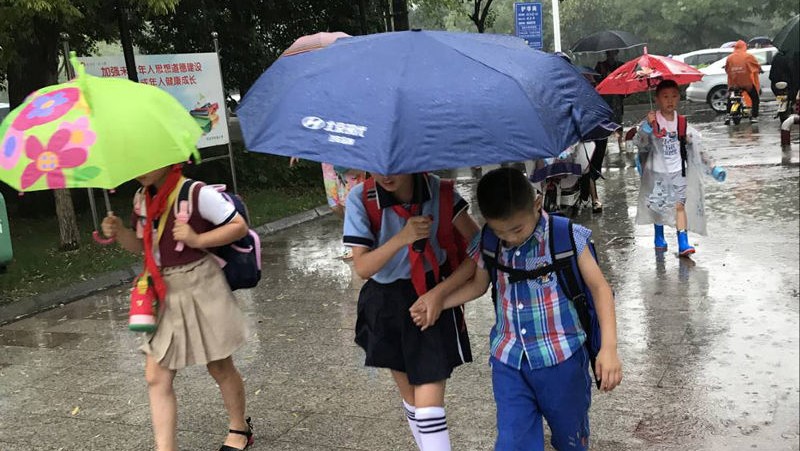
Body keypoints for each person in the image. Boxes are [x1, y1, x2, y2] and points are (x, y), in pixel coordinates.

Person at [412, 167, 622, 450]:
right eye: (500, 231)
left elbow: (600, 289)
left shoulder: (566, 237)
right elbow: (478, 285)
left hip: (562, 359)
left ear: (537, 203)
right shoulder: (489, 240)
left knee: (570, 438)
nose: (509, 238)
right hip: (509, 360)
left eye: (517, 229)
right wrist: (439, 301)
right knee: (513, 441)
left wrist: (608, 348)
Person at [101, 164, 253, 451]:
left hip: (201, 284)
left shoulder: (196, 193)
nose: (140, 168)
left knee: (219, 365)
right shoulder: (140, 199)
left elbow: (238, 226)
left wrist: (197, 239)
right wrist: (120, 232)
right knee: (155, 375)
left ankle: (239, 427)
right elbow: (142, 247)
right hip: (162, 291)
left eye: (148, 158)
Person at [343, 172, 479, 451]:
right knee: (414, 401)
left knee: (429, 406)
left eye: (397, 164)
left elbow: (479, 246)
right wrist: (402, 237)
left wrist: (440, 295)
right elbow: (363, 267)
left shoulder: (439, 192)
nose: (387, 174)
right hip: (385, 302)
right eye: (378, 165)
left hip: (431, 295)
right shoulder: (361, 197)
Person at [633, 80, 726, 256]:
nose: (670, 101)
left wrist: (713, 167)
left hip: (678, 172)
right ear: (657, 99)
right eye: (665, 97)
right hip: (657, 174)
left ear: (679, 98)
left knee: (679, 206)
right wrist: (646, 126)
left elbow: (696, 146)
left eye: (674, 96)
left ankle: (683, 242)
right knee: (659, 207)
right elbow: (640, 144)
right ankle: (659, 236)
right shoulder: (651, 121)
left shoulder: (682, 123)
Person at [290, 158, 366, 259]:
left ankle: (353, 242)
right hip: (329, 164)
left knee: (350, 205)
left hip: (350, 159)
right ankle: (357, 229)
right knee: (334, 206)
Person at [724, 40, 762, 122]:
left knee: (730, 98)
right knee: (755, 98)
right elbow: (755, 65)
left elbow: (727, 69)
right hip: (746, 83)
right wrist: (759, 69)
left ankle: (727, 114)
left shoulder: (730, 58)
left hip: (733, 84)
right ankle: (754, 116)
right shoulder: (748, 56)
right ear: (744, 47)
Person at [595, 50, 625, 149]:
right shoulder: (600, 66)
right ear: (607, 54)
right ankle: (605, 145)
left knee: (618, 120)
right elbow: (596, 82)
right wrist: (606, 78)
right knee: (606, 121)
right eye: (610, 54)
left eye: (614, 54)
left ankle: (621, 143)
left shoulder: (621, 65)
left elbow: (626, 80)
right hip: (605, 98)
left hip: (617, 98)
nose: (612, 56)